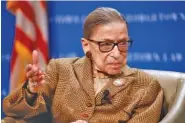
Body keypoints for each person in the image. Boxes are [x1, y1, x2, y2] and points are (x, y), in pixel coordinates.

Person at [3, 7, 163, 123]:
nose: (116, 53)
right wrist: (31, 91)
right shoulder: (60, 70)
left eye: (123, 43)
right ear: (86, 45)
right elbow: (13, 111)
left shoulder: (145, 86)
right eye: (106, 44)